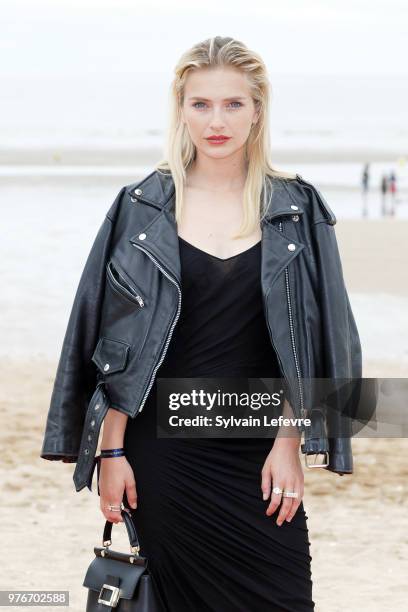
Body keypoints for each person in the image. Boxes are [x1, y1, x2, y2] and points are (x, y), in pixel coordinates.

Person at [41, 36, 363, 612]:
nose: (217, 120)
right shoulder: (140, 207)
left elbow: (324, 336)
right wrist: (109, 453)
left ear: (258, 110)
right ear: (181, 108)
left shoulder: (298, 207)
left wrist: (291, 440)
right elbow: (106, 339)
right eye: (201, 104)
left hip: (260, 449)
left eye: (234, 104)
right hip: (159, 456)